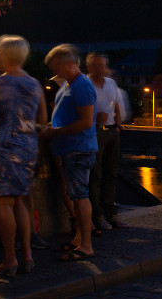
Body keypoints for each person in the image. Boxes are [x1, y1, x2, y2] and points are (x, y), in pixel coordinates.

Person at [0, 35, 47, 277]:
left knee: (4, 203)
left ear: (3, 55)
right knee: (21, 200)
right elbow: (42, 118)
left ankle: (10, 259)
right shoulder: (34, 83)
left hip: (4, 145)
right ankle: (28, 255)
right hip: (28, 145)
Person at [40, 44, 97, 261]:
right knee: (76, 195)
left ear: (68, 63)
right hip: (70, 148)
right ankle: (79, 239)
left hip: (78, 148)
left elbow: (85, 121)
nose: (54, 71)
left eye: (56, 66)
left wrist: (56, 132)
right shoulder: (69, 84)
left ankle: (86, 246)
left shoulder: (81, 85)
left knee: (80, 197)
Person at [86, 53, 122, 231]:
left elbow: (117, 105)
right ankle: (97, 215)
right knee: (95, 175)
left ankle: (110, 213)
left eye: (103, 65)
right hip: (95, 131)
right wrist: (95, 119)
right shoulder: (86, 84)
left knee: (111, 173)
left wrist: (117, 124)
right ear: (89, 67)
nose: (101, 69)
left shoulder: (111, 83)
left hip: (111, 131)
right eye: (97, 65)